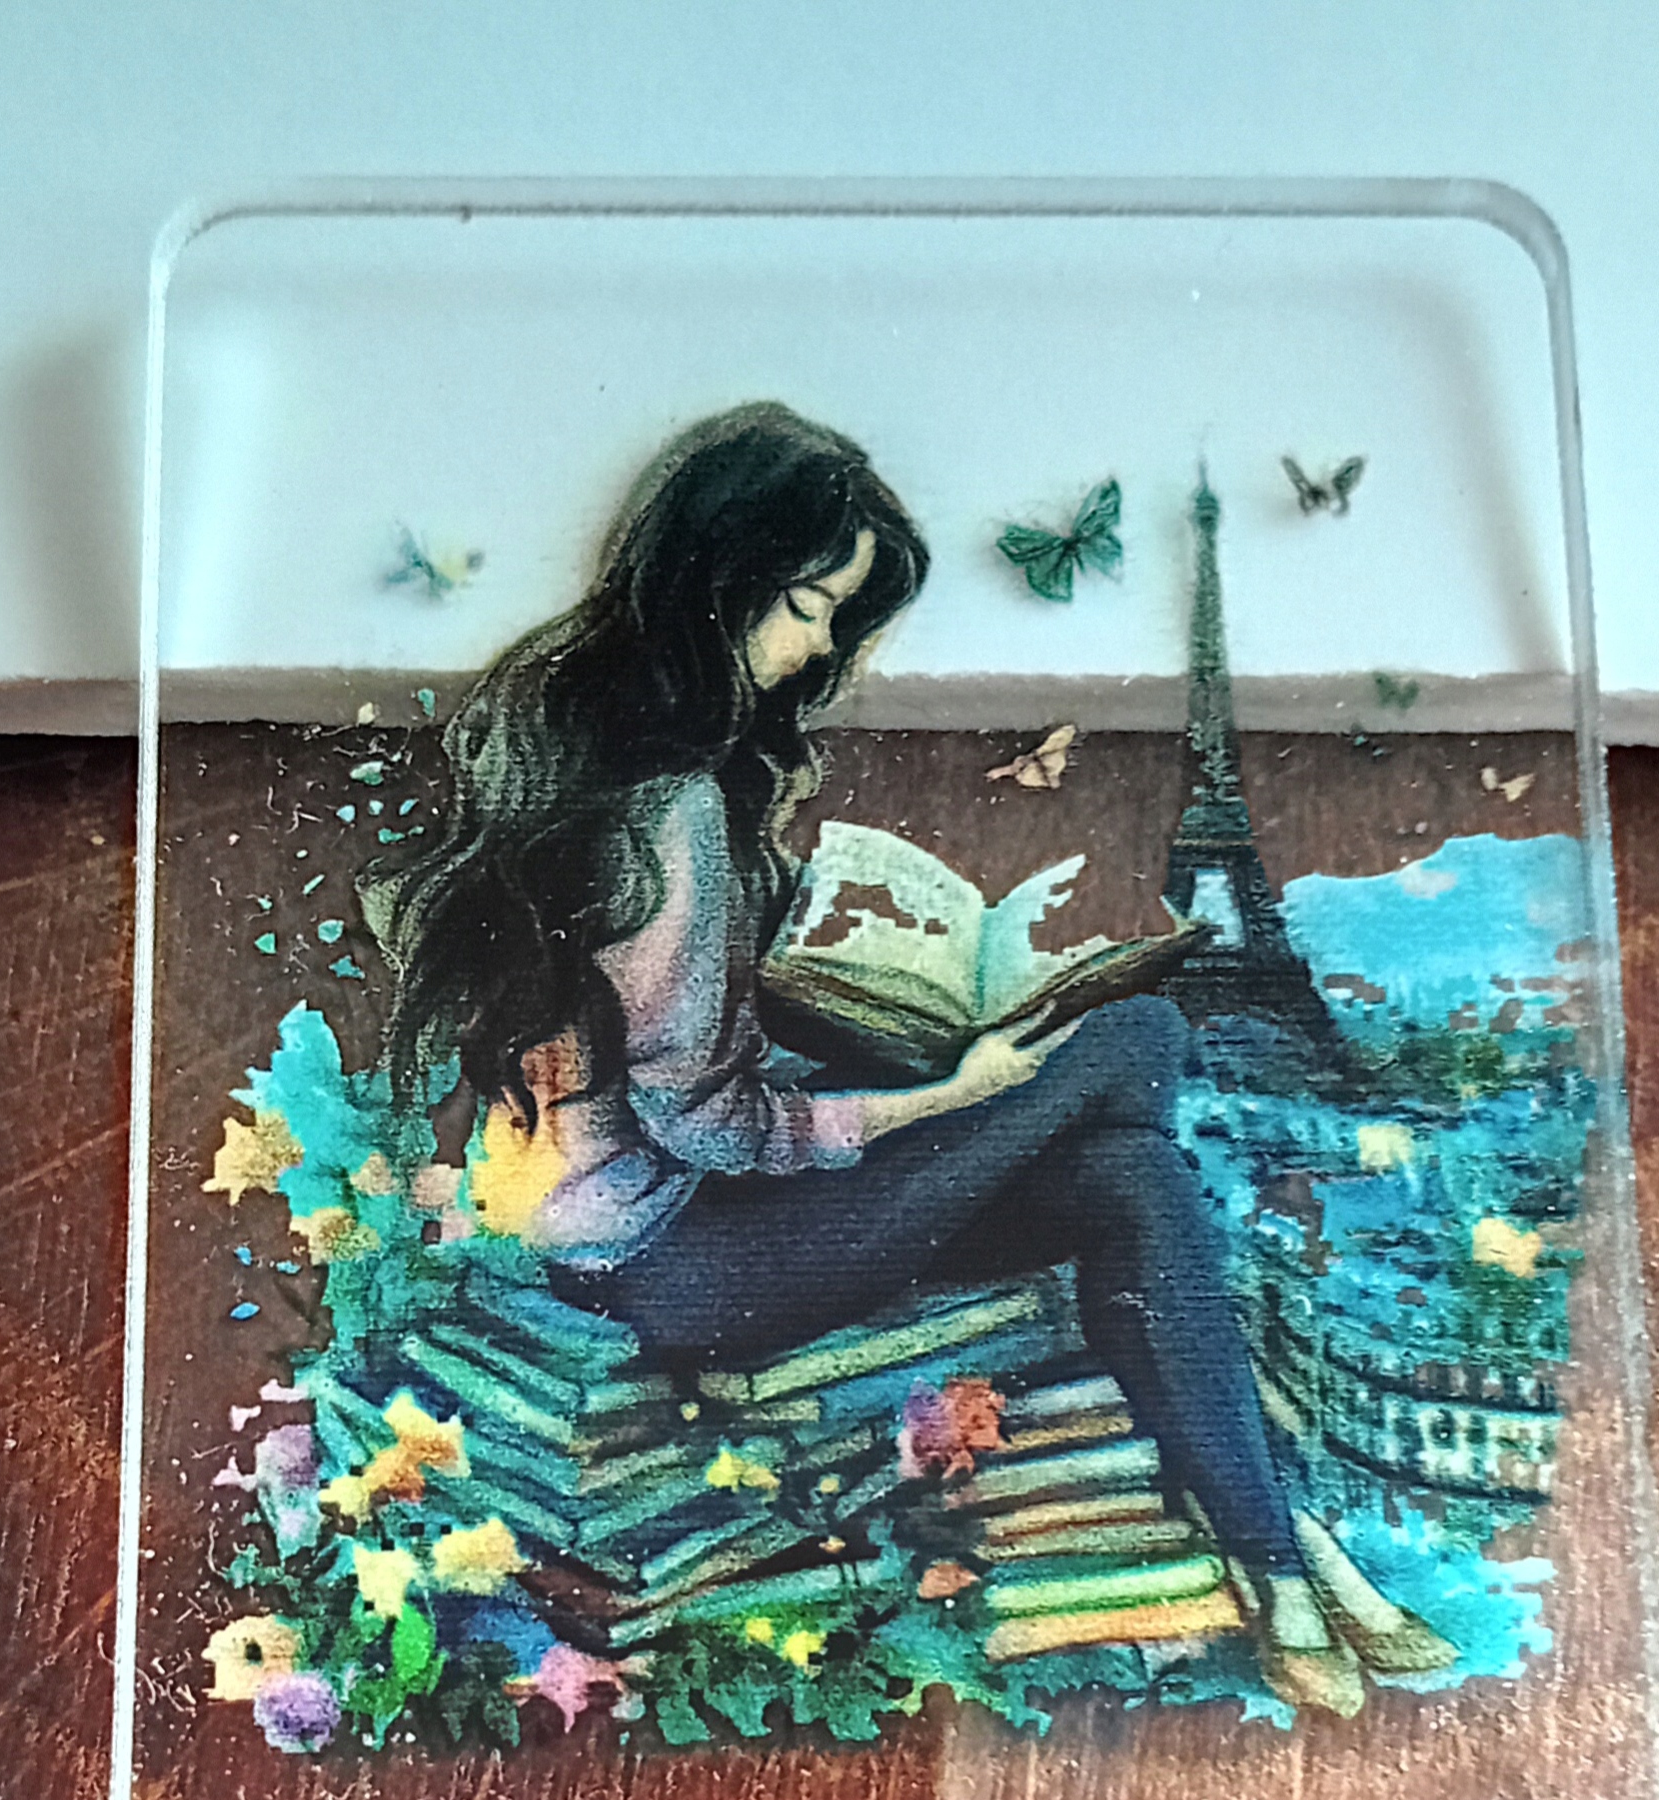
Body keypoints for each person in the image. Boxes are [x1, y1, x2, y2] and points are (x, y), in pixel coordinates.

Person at [366, 402, 1385, 1716]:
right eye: (806, 606)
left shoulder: (562, 739)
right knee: (1139, 1037)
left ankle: (1276, 1561)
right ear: (715, 578)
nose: (815, 649)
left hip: (622, 1231)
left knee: (1131, 1179)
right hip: (676, 1265)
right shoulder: (675, 811)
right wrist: (950, 1090)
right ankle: (1282, 1552)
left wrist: (862, 1039)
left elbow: (641, 1020)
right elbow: (710, 1124)